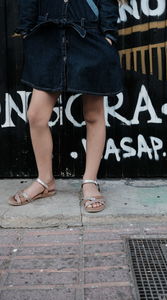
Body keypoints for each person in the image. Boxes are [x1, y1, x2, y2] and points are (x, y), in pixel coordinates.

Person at [8, 0, 124, 213]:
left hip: (89, 36)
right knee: (36, 116)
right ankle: (45, 181)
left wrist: (108, 34)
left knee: (93, 114)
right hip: (47, 37)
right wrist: (27, 31)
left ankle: (89, 181)